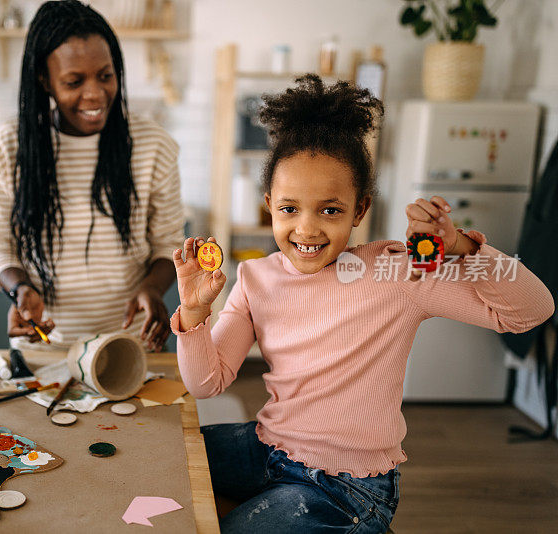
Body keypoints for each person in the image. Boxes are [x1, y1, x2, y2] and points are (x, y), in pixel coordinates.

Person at [170, 75, 555, 533]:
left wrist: (462, 249)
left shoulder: (397, 272)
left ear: (360, 209)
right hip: (270, 449)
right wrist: (193, 313)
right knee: (165, 454)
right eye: (290, 209)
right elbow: (206, 383)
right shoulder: (255, 277)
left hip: (346, 487)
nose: (307, 230)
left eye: (330, 210)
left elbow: (533, 311)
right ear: (269, 205)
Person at [0, 0, 183, 351]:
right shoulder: (10, 148)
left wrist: (151, 289)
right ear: (44, 80)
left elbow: (168, 242)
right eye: (74, 81)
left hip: (130, 344)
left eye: (106, 76)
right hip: (46, 344)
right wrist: (21, 289)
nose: (95, 94)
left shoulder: (153, 146)